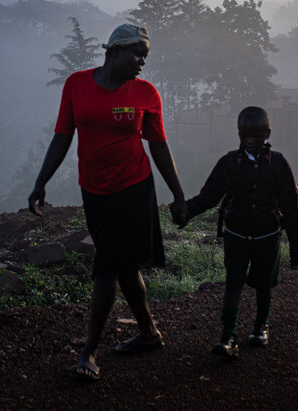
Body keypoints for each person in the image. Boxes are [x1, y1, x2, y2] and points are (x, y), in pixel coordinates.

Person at [29, 23, 188, 382]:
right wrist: (41, 182)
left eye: (145, 57)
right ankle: (149, 333)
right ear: (113, 51)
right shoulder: (77, 84)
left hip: (133, 189)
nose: (141, 63)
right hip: (94, 190)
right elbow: (62, 136)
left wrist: (177, 194)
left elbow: (158, 145)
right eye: (136, 54)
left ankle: (89, 352)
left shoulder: (145, 93)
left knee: (106, 266)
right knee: (124, 266)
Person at [177, 105, 298, 358]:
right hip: (235, 235)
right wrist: (186, 212)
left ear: (267, 133)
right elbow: (209, 196)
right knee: (233, 282)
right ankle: (228, 335)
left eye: (256, 136)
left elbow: (291, 206)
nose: (250, 141)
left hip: (267, 236)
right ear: (238, 134)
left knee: (263, 283)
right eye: (245, 135)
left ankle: (260, 327)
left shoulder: (278, 164)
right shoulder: (228, 163)